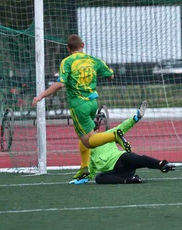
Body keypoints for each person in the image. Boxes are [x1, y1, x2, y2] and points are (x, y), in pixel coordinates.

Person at [32, 34, 130, 181]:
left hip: (79, 105)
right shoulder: (93, 60)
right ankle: (84, 168)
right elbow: (110, 75)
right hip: (92, 102)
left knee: (88, 141)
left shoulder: (67, 62)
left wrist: (41, 96)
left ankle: (114, 135)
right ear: (82, 45)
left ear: (68, 48)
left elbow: (60, 84)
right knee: (84, 135)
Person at [73, 100, 175, 184]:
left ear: (96, 130)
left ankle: (161, 164)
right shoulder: (89, 149)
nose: (88, 134)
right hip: (118, 172)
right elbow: (91, 168)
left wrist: (136, 118)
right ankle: (130, 180)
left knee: (139, 159)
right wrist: (85, 178)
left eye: (91, 131)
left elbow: (123, 126)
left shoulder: (106, 135)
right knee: (99, 178)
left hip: (122, 159)